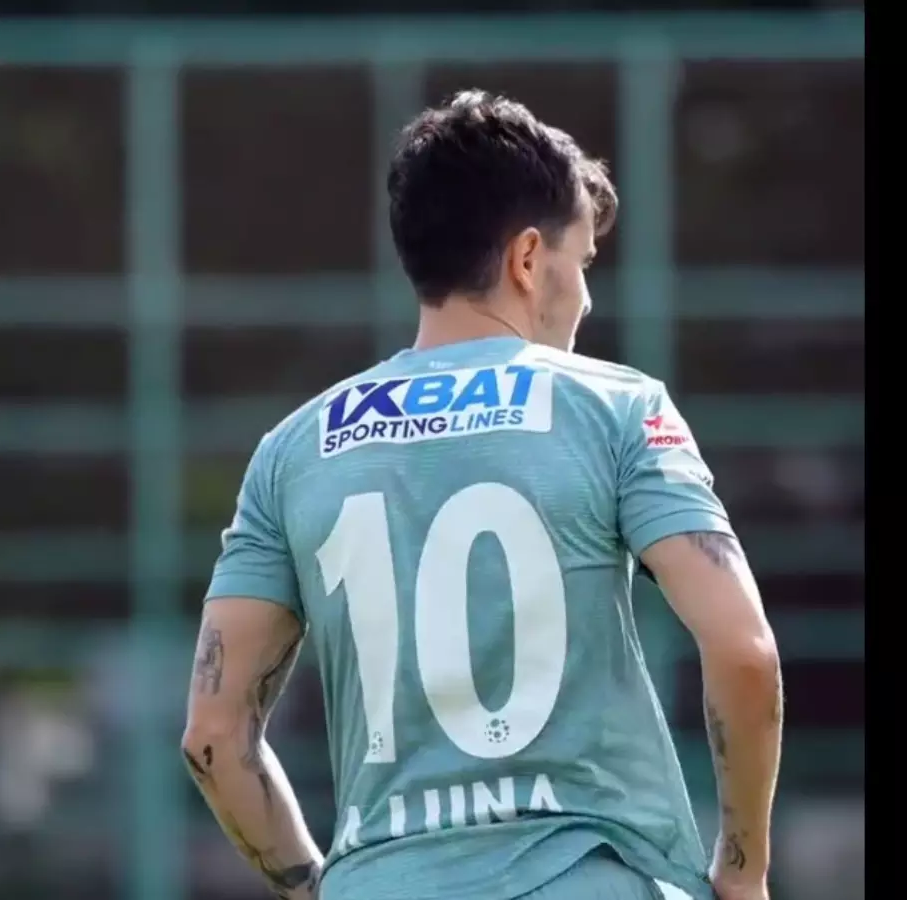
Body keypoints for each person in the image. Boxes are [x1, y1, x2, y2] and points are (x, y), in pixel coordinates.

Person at [181, 90, 784, 900]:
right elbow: (744, 652)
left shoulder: (292, 451)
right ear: (528, 259)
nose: (587, 297)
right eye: (583, 263)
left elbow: (213, 737)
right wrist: (743, 873)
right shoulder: (617, 408)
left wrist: (316, 886)